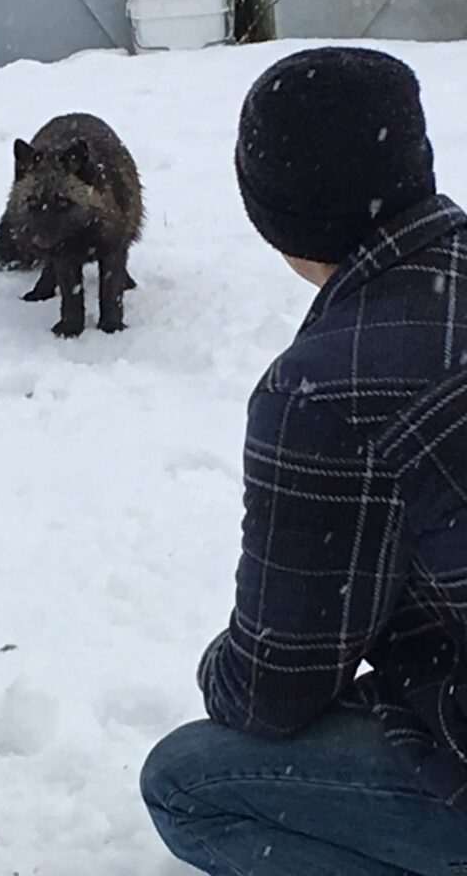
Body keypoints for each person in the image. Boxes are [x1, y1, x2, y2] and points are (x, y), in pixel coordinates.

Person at [140, 47, 467, 876]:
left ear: (274, 214)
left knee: (189, 782)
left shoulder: (325, 390)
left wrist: (218, 665)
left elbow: (275, 688)